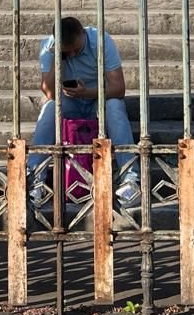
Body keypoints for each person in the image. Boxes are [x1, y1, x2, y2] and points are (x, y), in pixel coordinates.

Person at [29, 15, 138, 206]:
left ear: (83, 34)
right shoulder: (49, 47)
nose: (71, 55)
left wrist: (87, 92)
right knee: (50, 109)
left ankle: (131, 179)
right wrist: (57, 59)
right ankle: (34, 179)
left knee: (114, 106)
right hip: (69, 101)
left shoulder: (100, 41)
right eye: (66, 52)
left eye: (75, 50)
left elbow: (119, 88)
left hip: (98, 98)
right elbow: (49, 93)